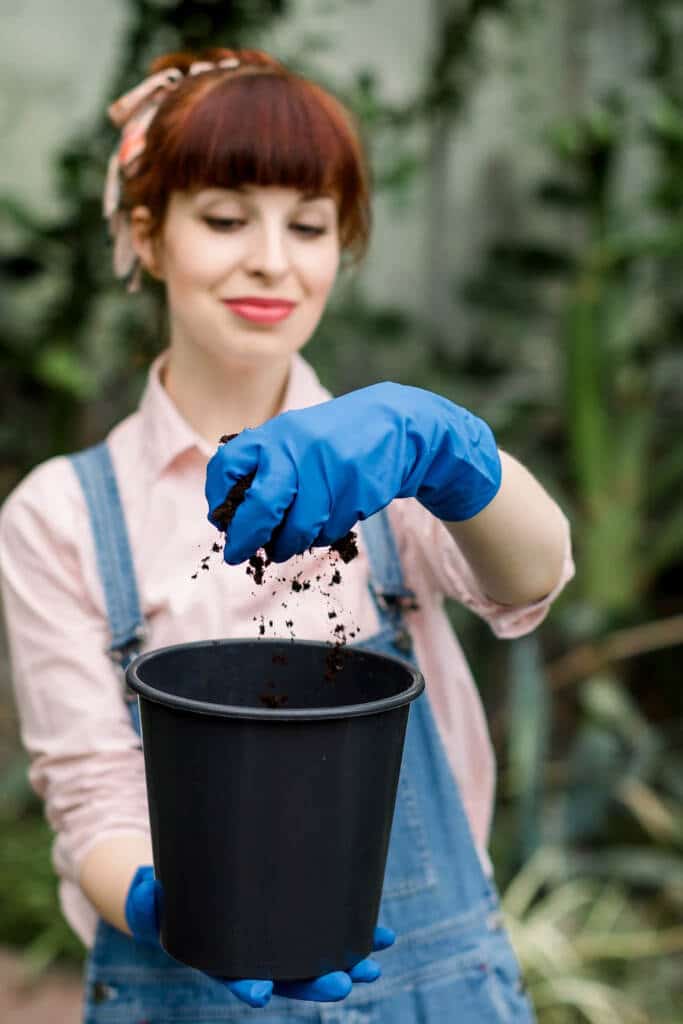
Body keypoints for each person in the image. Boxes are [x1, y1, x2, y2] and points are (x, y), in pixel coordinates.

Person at [0, 46, 574, 1022]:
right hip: (181, 985)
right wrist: (171, 905)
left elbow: (531, 576)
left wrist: (445, 445)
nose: (270, 257)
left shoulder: (387, 469)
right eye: (224, 218)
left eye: (308, 226)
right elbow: (90, 794)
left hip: (429, 988)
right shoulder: (61, 515)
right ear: (147, 234)